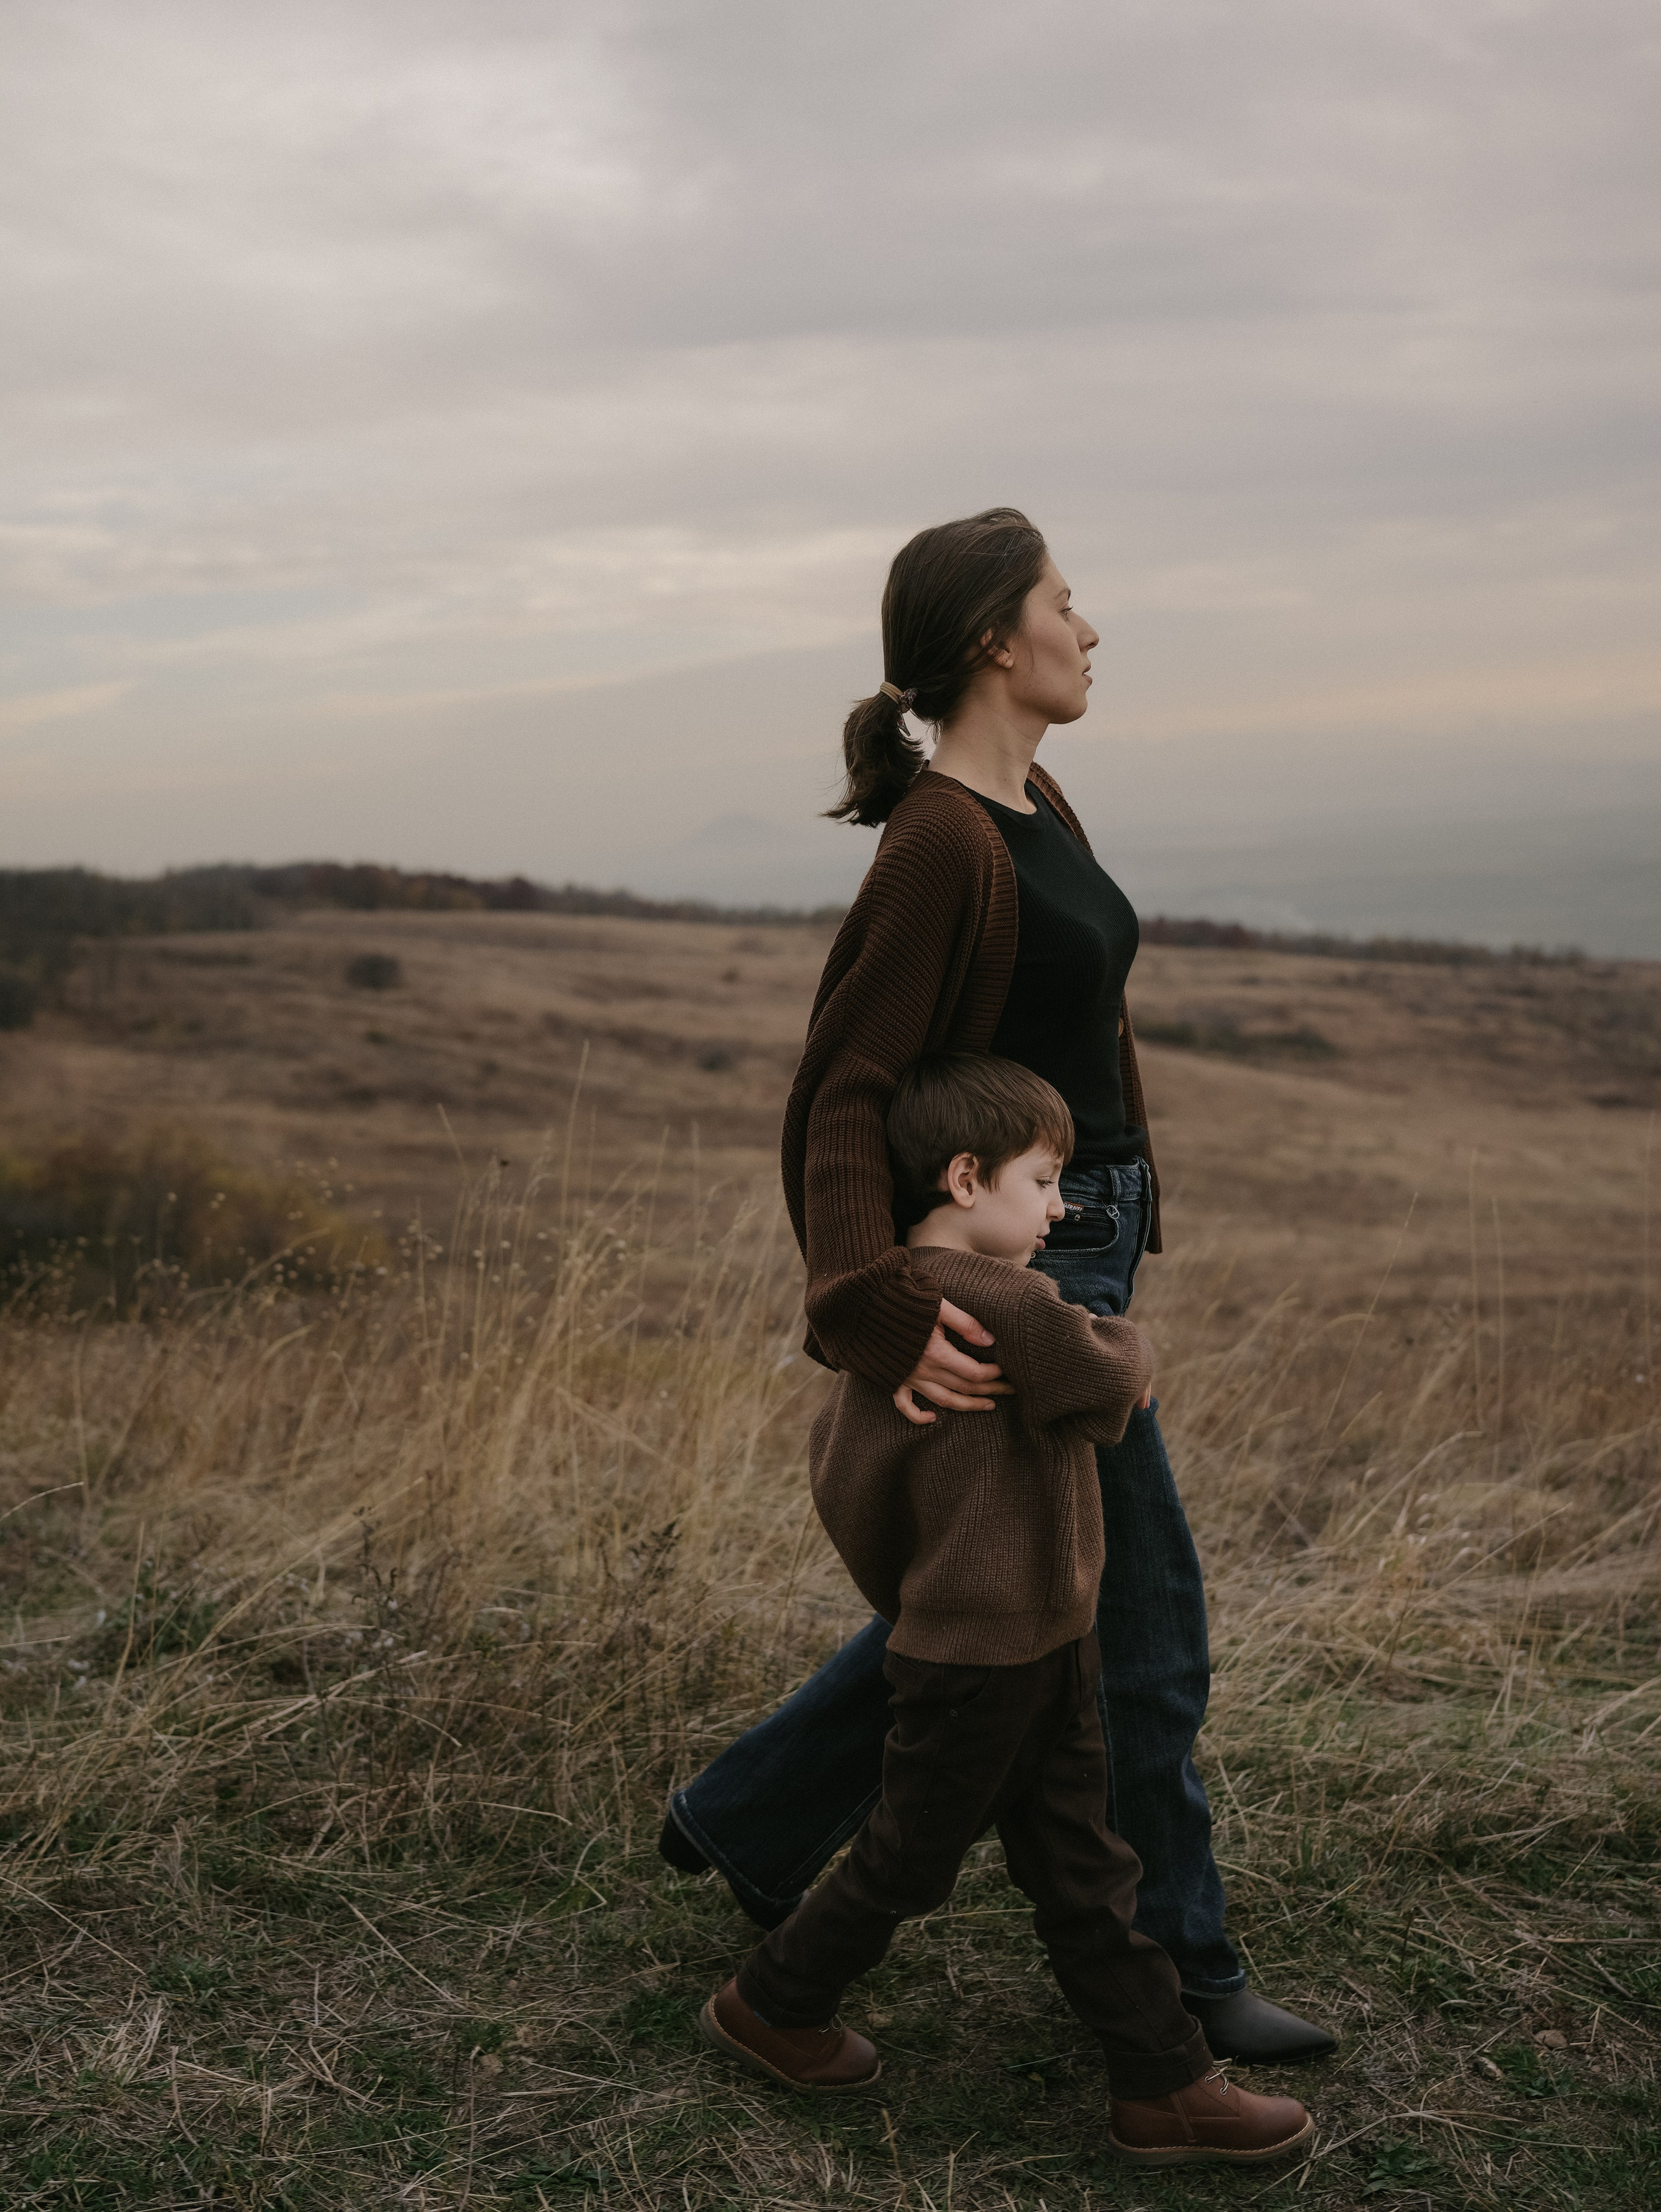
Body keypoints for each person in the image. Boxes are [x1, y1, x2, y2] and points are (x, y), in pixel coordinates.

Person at [662, 506, 1334, 2064]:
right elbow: (842, 1091)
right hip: (1019, 1277)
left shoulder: (1038, 798)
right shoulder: (939, 840)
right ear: (990, 639)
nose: (1087, 631)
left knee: (1025, 1586)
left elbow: (1079, 1028)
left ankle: (745, 1817)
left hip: (1076, 1236)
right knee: (1137, 1618)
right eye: (1064, 603)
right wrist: (874, 1304)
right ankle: (1182, 1966)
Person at [699, 1053, 1314, 2168]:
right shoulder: (1010, 1301)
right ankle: (772, 2000)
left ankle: (1162, 2083)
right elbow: (1116, 1376)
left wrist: (914, 1586)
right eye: (1044, 1180)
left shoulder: (893, 1311)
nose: (1062, 1206)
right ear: (968, 1177)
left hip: (1018, 1637)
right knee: (910, 1856)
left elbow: (843, 1477)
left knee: (1082, 1863)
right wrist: (1118, 1341)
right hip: (996, 1655)